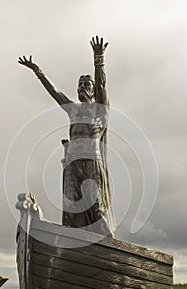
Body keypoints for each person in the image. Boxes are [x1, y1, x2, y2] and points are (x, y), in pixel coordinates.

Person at [18, 36, 115, 237]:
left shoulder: (100, 110)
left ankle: (109, 245)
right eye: (80, 84)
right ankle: (73, 245)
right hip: (72, 165)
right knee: (71, 210)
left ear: (93, 90)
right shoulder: (72, 110)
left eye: (87, 84)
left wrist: (99, 58)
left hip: (91, 164)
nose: (82, 87)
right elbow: (55, 92)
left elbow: (103, 86)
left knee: (97, 209)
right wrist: (38, 72)